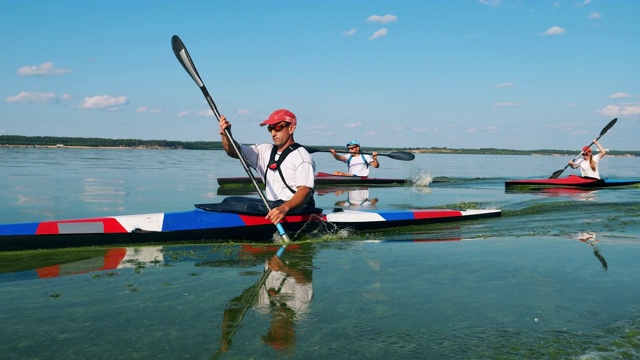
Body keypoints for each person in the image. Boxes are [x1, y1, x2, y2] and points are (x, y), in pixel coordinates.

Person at [219, 109, 315, 225]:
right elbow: (234, 151)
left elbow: (305, 190)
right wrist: (226, 135)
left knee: (238, 205)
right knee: (229, 201)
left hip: (295, 209)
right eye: (270, 128)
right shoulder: (264, 151)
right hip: (273, 207)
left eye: (278, 128)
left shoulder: (302, 157)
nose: (273, 133)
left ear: (291, 128)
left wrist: (284, 208)